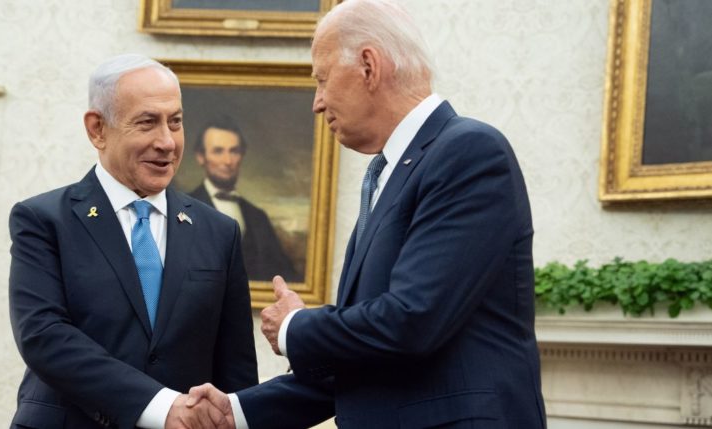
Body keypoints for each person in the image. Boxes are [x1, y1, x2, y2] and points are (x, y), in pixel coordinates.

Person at [190, 0, 547, 427]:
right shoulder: (389, 175)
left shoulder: (468, 151)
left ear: (368, 66)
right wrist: (236, 412)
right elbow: (365, 356)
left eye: (322, 80)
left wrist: (296, 327)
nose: (317, 103)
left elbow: (411, 322)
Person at [8, 54, 257, 429]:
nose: (167, 142)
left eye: (175, 122)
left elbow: (235, 369)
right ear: (97, 129)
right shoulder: (44, 220)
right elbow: (44, 336)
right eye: (147, 123)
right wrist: (160, 406)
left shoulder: (219, 231)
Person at [189, 116, 301, 282]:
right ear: (200, 157)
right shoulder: (183, 209)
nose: (228, 161)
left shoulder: (258, 217)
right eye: (218, 151)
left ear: (242, 156)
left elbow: (286, 275)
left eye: (234, 151)